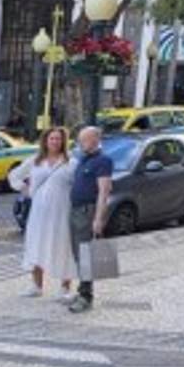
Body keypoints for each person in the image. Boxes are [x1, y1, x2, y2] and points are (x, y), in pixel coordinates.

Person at [18, 127, 78, 299]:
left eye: (58, 139)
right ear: (45, 141)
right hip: (39, 212)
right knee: (37, 244)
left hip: (62, 210)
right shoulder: (35, 161)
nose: (55, 142)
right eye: (52, 138)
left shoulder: (71, 163)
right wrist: (26, 189)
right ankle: (37, 286)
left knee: (63, 245)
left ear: (63, 141)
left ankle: (65, 287)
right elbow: (14, 176)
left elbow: (77, 185)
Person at [68, 126, 112, 313]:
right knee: (80, 255)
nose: (80, 143)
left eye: (83, 140)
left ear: (94, 139)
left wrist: (98, 218)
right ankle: (82, 290)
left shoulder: (103, 161)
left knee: (87, 256)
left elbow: (104, 191)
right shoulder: (83, 159)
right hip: (76, 211)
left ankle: (86, 296)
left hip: (88, 211)